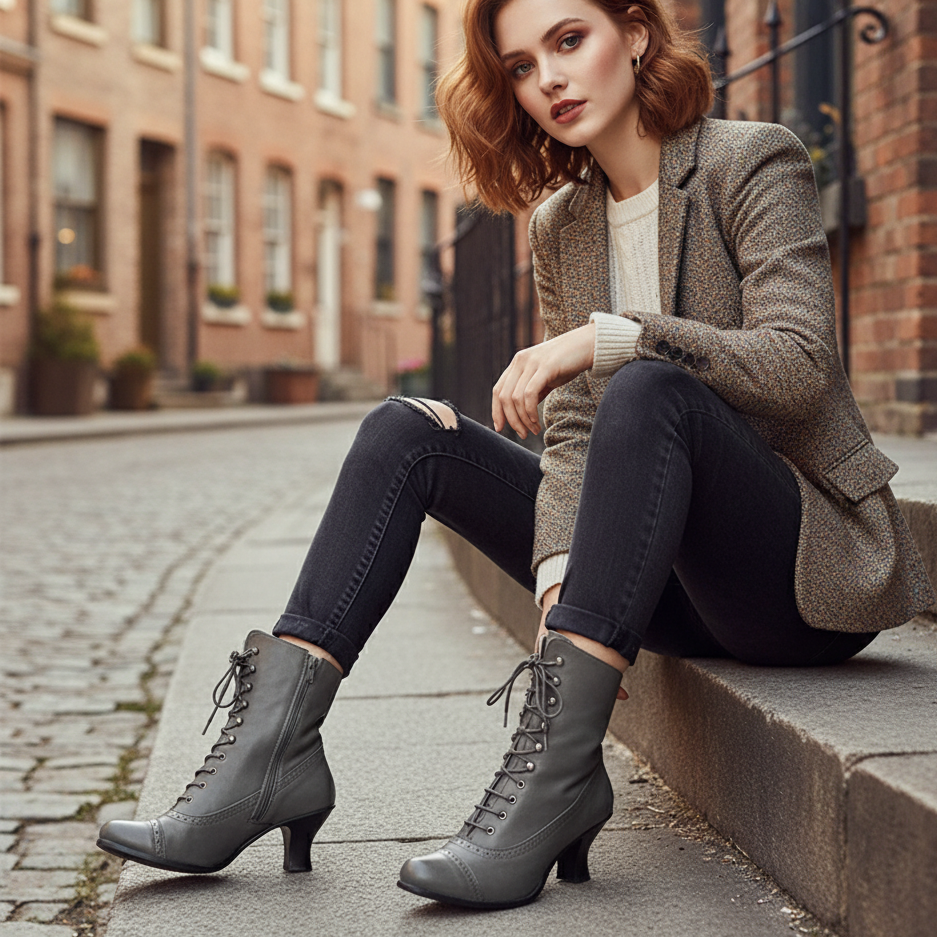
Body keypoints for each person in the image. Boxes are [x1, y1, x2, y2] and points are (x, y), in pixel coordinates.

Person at [96, 0, 934, 911]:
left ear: (636, 33)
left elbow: (802, 366)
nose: (551, 81)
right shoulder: (561, 224)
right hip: (670, 586)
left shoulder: (749, 159)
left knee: (649, 387)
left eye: (569, 41)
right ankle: (271, 755)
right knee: (405, 430)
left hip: (795, 576)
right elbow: (573, 430)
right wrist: (558, 583)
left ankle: (554, 781)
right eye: (523, 68)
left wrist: (617, 337)